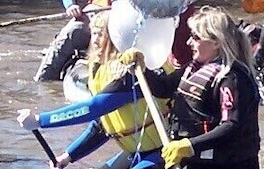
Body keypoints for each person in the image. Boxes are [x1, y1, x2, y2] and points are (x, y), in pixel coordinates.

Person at [17, 13, 172, 169]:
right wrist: (68, 156)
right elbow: (102, 126)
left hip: (165, 149)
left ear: (116, 38)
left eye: (101, 34)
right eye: (93, 33)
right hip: (137, 151)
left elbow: (95, 107)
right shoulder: (99, 69)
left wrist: (41, 120)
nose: (95, 39)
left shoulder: (132, 71)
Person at [142, 7, 261, 169]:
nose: (188, 43)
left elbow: (231, 125)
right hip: (196, 160)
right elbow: (163, 88)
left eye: (195, 37)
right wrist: (143, 68)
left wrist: (190, 145)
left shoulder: (232, 78)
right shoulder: (192, 68)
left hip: (229, 163)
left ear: (216, 42)